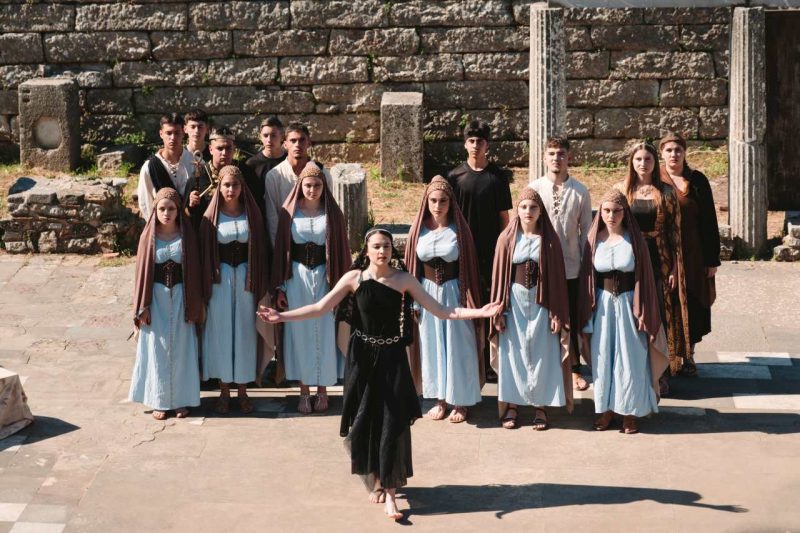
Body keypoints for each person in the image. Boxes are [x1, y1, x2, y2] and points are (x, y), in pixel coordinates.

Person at [258, 229, 501, 520]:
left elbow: (442, 311)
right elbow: (320, 307)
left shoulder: (403, 280)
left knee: (392, 422)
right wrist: (281, 317)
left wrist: (480, 312)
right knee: (366, 420)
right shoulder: (354, 279)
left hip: (392, 357)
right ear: (366, 251)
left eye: (386, 246)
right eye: (376, 246)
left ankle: (390, 494)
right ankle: (374, 479)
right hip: (361, 359)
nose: (382, 251)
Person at [577, 189, 669, 434]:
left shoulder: (634, 241)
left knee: (631, 358)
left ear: (625, 212)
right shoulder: (593, 240)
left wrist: (644, 311)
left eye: (617, 211)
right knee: (603, 358)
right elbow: (588, 279)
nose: (611, 215)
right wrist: (586, 312)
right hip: (603, 306)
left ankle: (629, 412)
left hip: (629, 305)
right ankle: (606, 410)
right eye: (606, 210)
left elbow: (645, 279)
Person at [489, 187, 572, 430]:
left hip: (542, 302)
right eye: (524, 206)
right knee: (513, 354)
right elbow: (499, 278)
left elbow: (557, 281)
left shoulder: (549, 240)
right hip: (514, 302)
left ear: (540, 211)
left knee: (543, 353)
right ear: (517, 209)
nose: (528, 211)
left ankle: (540, 406)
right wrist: (499, 311)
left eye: (533, 207)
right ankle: (513, 405)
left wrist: (557, 312)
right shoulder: (506, 238)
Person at [270, 162, 350, 414]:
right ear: (300, 186)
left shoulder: (332, 214)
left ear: (323, 186)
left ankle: (323, 389)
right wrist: (280, 288)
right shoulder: (289, 213)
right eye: (308, 185)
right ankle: (304, 390)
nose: (312, 190)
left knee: (325, 332)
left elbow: (341, 251)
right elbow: (282, 252)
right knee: (300, 332)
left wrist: (341, 288)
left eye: (317, 185)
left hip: (325, 278)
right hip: (297, 278)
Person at [403, 176, 484, 424]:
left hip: (453, 292)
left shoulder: (459, 230)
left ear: (451, 202)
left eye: (443, 201)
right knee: (432, 346)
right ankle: (440, 399)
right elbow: (412, 268)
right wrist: (414, 301)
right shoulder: (418, 230)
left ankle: (461, 400)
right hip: (426, 293)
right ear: (426, 201)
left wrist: (467, 298)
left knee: (459, 346)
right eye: (433, 200)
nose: (438, 206)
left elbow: (469, 267)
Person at [614, 142, 690, 391]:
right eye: (638, 159)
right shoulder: (621, 190)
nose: (643, 164)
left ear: (655, 162)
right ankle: (633, 368)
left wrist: (675, 268)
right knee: (631, 313)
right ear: (631, 162)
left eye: (647, 159)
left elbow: (676, 233)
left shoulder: (666, 192)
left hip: (660, 258)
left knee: (659, 313)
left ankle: (661, 372)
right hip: (629, 257)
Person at [200, 166, 269, 414]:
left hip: (246, 281)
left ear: (242, 187)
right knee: (221, 333)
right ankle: (223, 391)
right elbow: (204, 252)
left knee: (244, 332)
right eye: (226, 185)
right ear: (219, 187)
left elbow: (260, 250)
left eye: (235, 185)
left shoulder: (252, 214)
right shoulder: (211, 217)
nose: (231, 190)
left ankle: (242, 390)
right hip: (220, 282)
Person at [446, 119, 512, 380]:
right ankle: (468, 359)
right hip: (462, 251)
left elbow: (504, 218)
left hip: (490, 252)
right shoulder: (454, 177)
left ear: (487, 145)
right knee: (465, 303)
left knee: (488, 303)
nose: (475, 145)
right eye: (471, 141)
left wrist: (503, 249)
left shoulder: (498, 177)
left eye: (480, 141)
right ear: (465, 144)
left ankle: (487, 362)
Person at [130, 188, 204, 420]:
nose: (166, 213)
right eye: (162, 208)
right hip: (156, 299)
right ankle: (159, 400)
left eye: (171, 209)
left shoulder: (187, 236)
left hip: (181, 297)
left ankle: (181, 400)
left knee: (182, 348)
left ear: (178, 210)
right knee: (157, 349)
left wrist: (194, 304)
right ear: (155, 209)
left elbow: (194, 272)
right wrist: (142, 307)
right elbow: (141, 276)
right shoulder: (148, 237)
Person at [529, 137, 593, 392]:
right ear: (544, 157)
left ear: (569, 157)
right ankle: (545, 367)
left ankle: (575, 369)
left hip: (571, 266)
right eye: (552, 153)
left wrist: (587, 267)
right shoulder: (534, 189)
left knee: (571, 318)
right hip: (540, 266)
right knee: (542, 317)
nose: (557, 158)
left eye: (561, 154)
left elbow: (586, 232)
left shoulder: (580, 191)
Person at [659, 132, 720, 374]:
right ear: (661, 153)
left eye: (678, 150)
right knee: (668, 302)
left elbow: (709, 221)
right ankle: (667, 357)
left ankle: (689, 356)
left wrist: (711, 259)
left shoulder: (697, 180)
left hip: (694, 253)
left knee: (693, 302)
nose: (674, 154)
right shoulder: (655, 179)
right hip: (664, 252)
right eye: (669, 150)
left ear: (685, 152)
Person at [264, 122, 332, 245]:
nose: (297, 145)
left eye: (302, 140)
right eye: (293, 140)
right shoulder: (274, 176)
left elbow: (330, 209)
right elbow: (272, 218)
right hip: (286, 242)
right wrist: (277, 249)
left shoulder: (322, 173)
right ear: (285, 144)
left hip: (319, 241)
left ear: (309, 142)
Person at [185, 126, 263, 231]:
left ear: (234, 149)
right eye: (220, 148)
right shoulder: (199, 176)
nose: (224, 153)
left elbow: (257, 206)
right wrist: (191, 206)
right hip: (209, 233)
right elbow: (187, 216)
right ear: (211, 149)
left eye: (228, 148)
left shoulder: (246, 173)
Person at [137, 113, 196, 219]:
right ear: (161, 134)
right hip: (162, 225)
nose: (173, 138)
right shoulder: (149, 167)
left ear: (183, 132)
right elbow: (145, 202)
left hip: (191, 223)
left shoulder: (195, 162)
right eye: (168, 133)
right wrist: (157, 225)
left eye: (177, 133)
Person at [245, 116, 287, 184]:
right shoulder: (252, 164)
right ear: (260, 137)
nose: (269, 140)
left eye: (273, 135)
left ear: (282, 137)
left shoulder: (291, 161)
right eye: (265, 135)